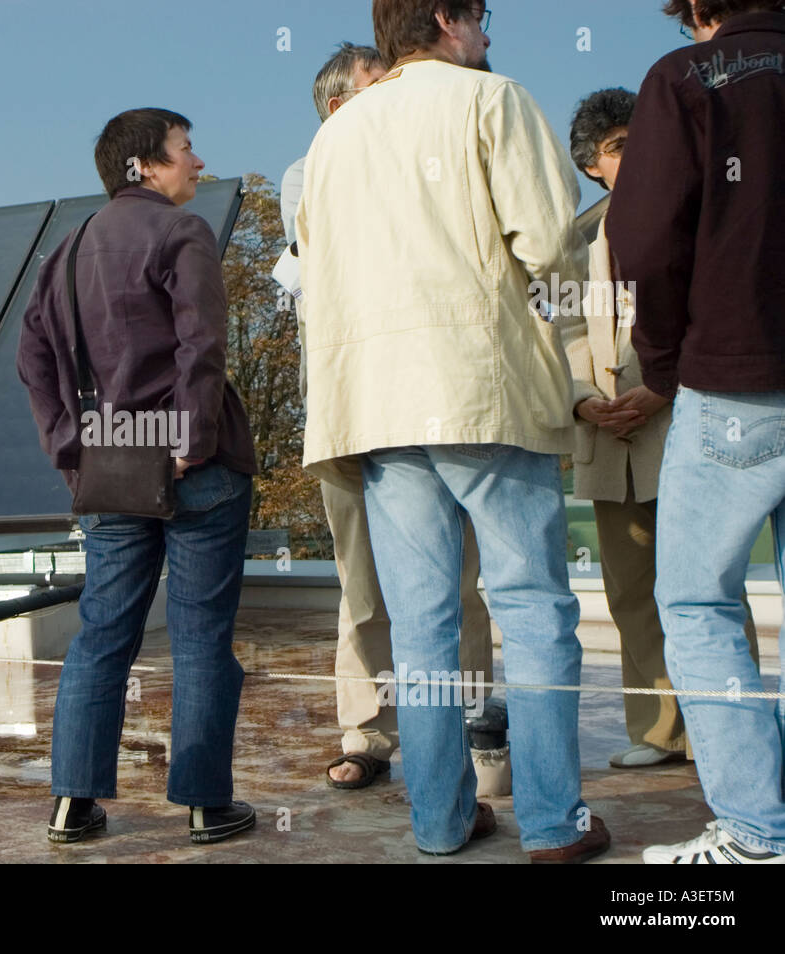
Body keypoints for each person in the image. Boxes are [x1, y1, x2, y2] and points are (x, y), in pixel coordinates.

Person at [297, 0, 609, 861]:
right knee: (534, 607)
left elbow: (318, 266)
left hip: (377, 404)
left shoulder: (336, 137)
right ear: (447, 17)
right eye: (480, 16)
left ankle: (438, 821)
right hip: (481, 388)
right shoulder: (490, 98)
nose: (488, 32)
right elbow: (549, 243)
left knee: (422, 622)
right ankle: (551, 823)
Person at [16, 107, 259, 844]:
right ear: (145, 166)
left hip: (108, 465)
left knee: (101, 635)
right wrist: (190, 437)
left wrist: (70, 447)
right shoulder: (182, 232)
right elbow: (202, 345)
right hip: (196, 469)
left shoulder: (68, 247)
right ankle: (204, 805)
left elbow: (32, 359)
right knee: (200, 637)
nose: (198, 161)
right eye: (185, 149)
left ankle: (72, 803)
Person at [281, 42, 494, 790]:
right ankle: (367, 731)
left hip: (438, 399)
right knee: (362, 584)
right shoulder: (309, 176)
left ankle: (473, 721)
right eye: (381, 86)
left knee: (459, 578)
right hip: (352, 409)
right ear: (340, 106)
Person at [606, 0, 785, 864]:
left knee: (700, 605)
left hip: (735, 375)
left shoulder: (685, 79)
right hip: (733, 369)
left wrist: (668, 361)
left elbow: (640, 239)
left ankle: (757, 832)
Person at [564, 88, 759, 771]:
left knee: (709, 588)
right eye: (617, 146)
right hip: (607, 434)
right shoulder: (575, 235)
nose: (635, 150)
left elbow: (716, 308)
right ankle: (658, 732)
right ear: (592, 166)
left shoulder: (699, 210)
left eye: (638, 136)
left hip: (682, 418)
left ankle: (733, 735)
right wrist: (583, 398)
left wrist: (660, 386)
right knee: (628, 592)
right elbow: (556, 327)